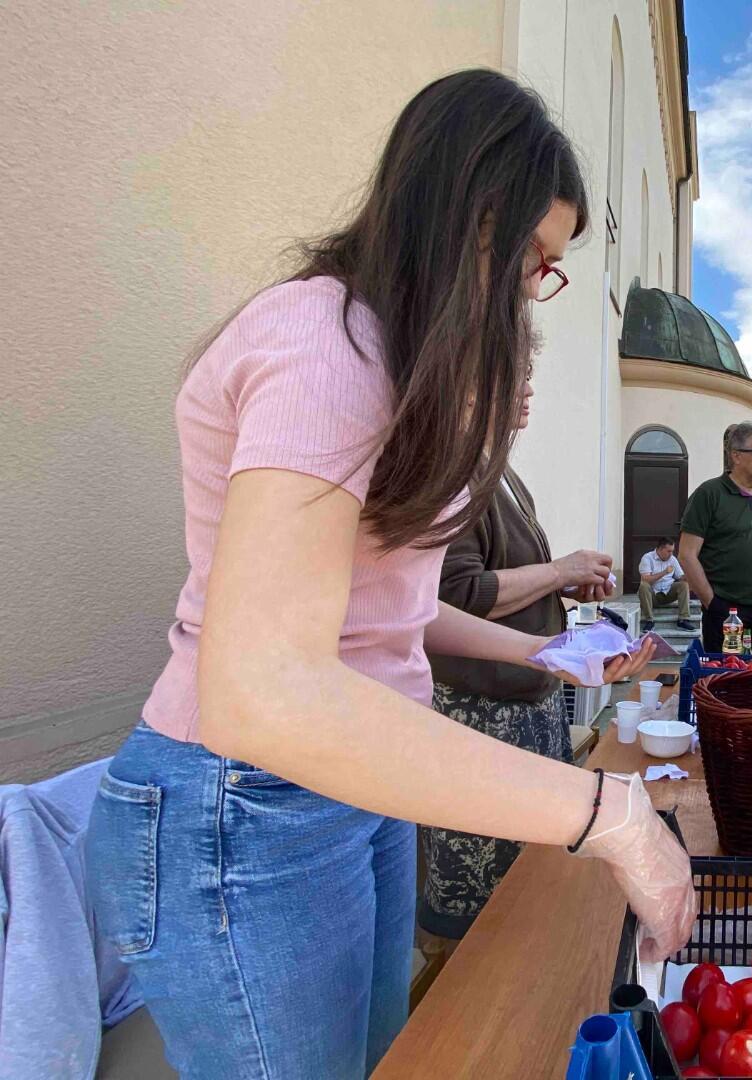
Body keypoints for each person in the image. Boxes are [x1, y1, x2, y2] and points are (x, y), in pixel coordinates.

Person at [83, 70, 694, 1080]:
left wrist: (544, 650)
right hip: (245, 807)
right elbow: (265, 690)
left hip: (346, 784)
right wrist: (608, 813)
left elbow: (388, 619)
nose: (536, 293)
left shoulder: (384, 362)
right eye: (536, 261)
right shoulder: (324, 347)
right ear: (469, 222)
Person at [420, 356, 618, 941]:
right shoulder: (450, 471)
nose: (530, 387)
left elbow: (510, 575)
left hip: (528, 711)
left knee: (531, 886)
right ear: (470, 382)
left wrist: (566, 581)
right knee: (480, 915)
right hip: (482, 721)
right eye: (515, 372)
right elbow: (457, 594)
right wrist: (559, 571)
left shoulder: (498, 470)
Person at [678, 422, 752, 652]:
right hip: (726, 610)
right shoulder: (709, 493)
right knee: (723, 678)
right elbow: (686, 555)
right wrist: (712, 603)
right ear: (736, 456)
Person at [637, 538, 696, 633]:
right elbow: (646, 579)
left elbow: (680, 577)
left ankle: (683, 620)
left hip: (668, 593)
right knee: (643, 586)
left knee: (683, 585)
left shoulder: (672, 559)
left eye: (672, 551)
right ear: (660, 549)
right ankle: (649, 621)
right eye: (668, 551)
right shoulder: (647, 558)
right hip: (653, 596)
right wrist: (664, 572)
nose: (671, 554)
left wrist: (689, 574)